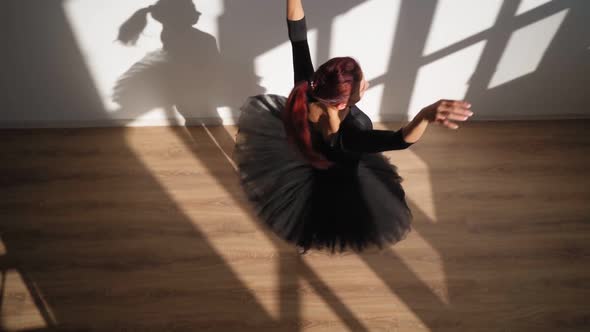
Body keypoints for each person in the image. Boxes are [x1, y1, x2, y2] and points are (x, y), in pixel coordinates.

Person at [234, 0, 474, 255]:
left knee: (309, 212)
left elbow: (297, 34)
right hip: (340, 182)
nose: (365, 83)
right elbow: (400, 140)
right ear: (341, 104)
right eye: (360, 82)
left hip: (310, 158)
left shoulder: (305, 90)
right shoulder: (353, 133)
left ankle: (304, 235)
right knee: (329, 215)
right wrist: (425, 115)